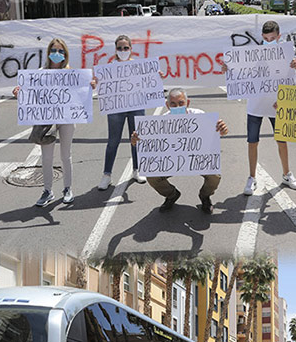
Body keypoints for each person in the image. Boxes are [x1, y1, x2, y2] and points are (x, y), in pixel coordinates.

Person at [221, 19, 296, 196]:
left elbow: (293, 80)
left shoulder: (288, 55)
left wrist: (295, 67)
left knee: (282, 140)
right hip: (255, 105)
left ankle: (287, 174)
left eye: (272, 38)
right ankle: (251, 177)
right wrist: (229, 68)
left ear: (279, 36)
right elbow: (242, 72)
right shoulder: (254, 53)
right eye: (265, 38)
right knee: (252, 142)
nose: (269, 41)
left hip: (277, 105)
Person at [131, 86, 228, 214]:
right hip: (171, 162)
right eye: (173, 104)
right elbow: (147, 144)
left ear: (187, 103)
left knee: (215, 176)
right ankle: (172, 195)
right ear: (167, 105)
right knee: (152, 176)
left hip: (197, 160)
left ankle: (205, 196)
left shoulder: (201, 116)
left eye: (181, 103)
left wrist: (222, 130)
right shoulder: (159, 122)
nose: (177, 107)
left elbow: (215, 135)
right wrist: (135, 140)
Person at [14, 38, 83, 207]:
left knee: (66, 155)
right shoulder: (40, 72)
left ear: (65, 54)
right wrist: (19, 91)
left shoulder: (70, 73)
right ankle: (47, 190)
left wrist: (90, 85)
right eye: (54, 50)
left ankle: (67, 188)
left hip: (66, 119)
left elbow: (81, 91)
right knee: (46, 158)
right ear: (48, 53)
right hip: (46, 120)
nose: (57, 54)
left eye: (60, 51)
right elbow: (28, 91)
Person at [97, 35, 147, 190]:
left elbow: (148, 83)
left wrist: (156, 77)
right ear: (115, 50)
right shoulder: (109, 68)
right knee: (113, 141)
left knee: (136, 138)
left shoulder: (139, 66)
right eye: (120, 48)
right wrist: (96, 83)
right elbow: (101, 87)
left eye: (126, 48)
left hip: (136, 106)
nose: (123, 50)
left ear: (131, 49)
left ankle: (137, 170)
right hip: (116, 108)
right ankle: (107, 175)